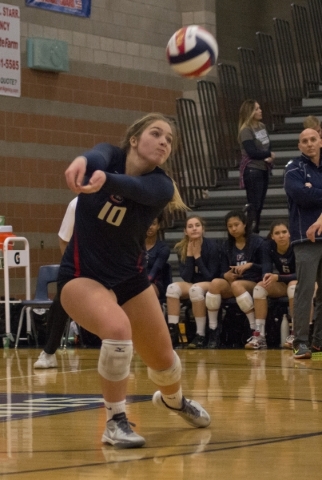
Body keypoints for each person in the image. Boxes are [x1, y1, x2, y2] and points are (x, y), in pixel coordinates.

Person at [57, 113, 211, 449]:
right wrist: (83, 161)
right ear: (134, 139)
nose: (163, 142)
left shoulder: (161, 186)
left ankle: (174, 400)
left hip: (129, 279)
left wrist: (103, 180)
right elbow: (96, 154)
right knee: (117, 330)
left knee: (166, 365)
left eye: (168, 140)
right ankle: (115, 421)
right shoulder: (107, 157)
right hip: (81, 277)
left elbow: (133, 187)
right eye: (156, 134)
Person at [284, 128, 322, 359]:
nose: (309, 144)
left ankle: (318, 341)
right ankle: (300, 341)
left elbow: (311, 194)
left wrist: (313, 190)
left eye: (313, 139)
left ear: (320, 141)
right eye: (304, 141)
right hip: (305, 238)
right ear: (299, 146)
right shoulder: (293, 168)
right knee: (305, 291)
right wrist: (309, 191)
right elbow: (301, 196)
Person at [205, 210, 263, 344]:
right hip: (234, 284)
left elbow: (266, 268)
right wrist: (226, 275)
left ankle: (253, 328)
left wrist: (250, 265)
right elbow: (222, 272)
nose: (233, 229)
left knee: (237, 285)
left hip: (254, 283)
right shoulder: (226, 246)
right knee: (215, 283)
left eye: (236, 225)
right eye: (230, 226)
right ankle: (213, 329)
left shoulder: (258, 242)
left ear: (244, 224)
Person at [34, 197, 78, 369]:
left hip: (109, 266)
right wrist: (73, 267)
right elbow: (64, 239)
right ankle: (49, 352)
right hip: (78, 266)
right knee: (61, 302)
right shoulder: (76, 204)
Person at [166, 215, 221, 349]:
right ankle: (173, 333)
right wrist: (190, 255)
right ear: (185, 231)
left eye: (197, 225)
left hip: (211, 283)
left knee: (195, 289)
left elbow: (210, 276)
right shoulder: (181, 247)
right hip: (193, 283)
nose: (194, 229)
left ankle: (200, 334)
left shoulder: (212, 246)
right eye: (190, 227)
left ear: (203, 229)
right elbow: (186, 277)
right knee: (172, 288)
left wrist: (197, 256)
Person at [249, 220, 297, 350]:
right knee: (260, 287)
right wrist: (267, 276)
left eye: (284, 232)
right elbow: (266, 267)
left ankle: (296, 334)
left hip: (305, 281)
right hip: (283, 283)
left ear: (289, 234)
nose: (281, 235)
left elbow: (302, 274)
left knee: (293, 286)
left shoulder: (297, 245)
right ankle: (260, 335)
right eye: (277, 233)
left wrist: (278, 277)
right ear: (272, 236)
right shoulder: (267, 246)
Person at [238, 99, 275, 233]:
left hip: (263, 167)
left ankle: (255, 230)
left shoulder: (262, 126)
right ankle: (250, 232)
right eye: (257, 109)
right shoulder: (246, 130)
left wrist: (268, 156)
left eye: (259, 108)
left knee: (260, 204)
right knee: (254, 204)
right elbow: (251, 152)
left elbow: (267, 144)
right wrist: (268, 154)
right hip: (252, 169)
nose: (260, 111)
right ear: (250, 112)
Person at [145, 213, 171, 300]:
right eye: (147, 223)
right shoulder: (135, 246)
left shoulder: (163, 248)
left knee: (147, 291)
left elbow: (153, 273)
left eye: (153, 223)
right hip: (136, 282)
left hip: (155, 283)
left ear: (158, 226)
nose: (150, 226)